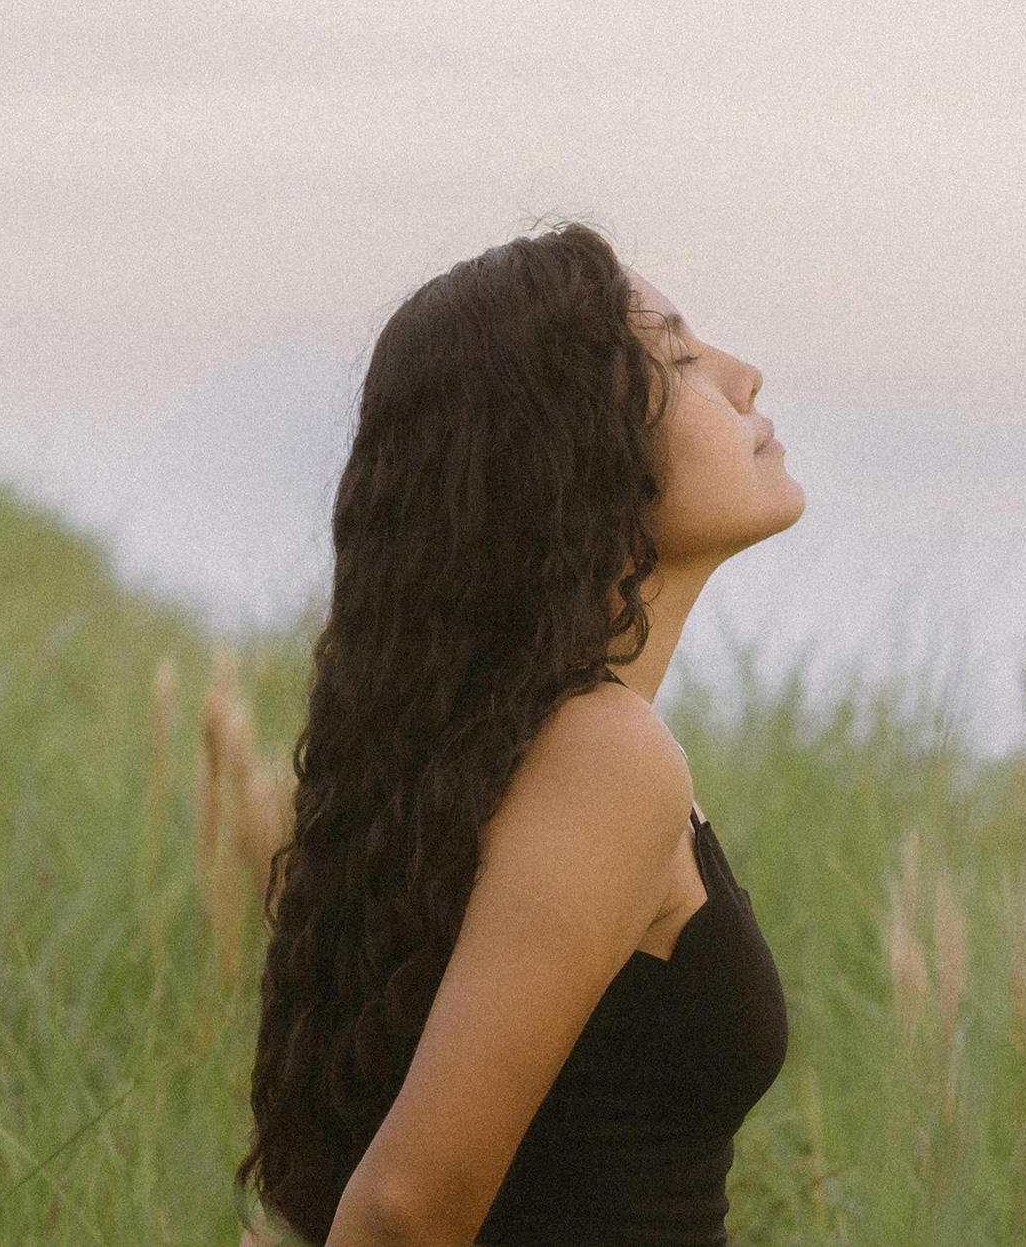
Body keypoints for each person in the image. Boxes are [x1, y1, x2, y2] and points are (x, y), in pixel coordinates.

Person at [235, 222, 804, 1246]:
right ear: (576, 454)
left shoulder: (517, 752)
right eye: (679, 359)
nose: (743, 376)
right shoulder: (606, 756)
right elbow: (402, 1210)